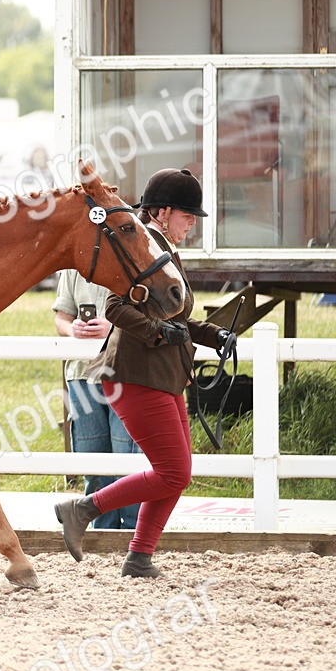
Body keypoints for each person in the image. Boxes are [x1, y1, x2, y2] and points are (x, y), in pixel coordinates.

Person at [54, 167, 235, 578]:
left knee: (176, 473)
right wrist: (157, 331)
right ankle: (83, 509)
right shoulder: (142, 247)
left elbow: (173, 318)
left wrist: (212, 334)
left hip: (165, 375)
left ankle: (139, 556)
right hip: (136, 373)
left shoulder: (164, 249)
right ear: (164, 211)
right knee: (173, 471)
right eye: (188, 216)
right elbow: (116, 308)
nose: (192, 225)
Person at [52, 270, 140, 530]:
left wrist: (113, 328)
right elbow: (61, 318)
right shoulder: (72, 270)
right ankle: (102, 531)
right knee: (91, 457)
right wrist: (73, 329)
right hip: (81, 372)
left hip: (124, 372)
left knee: (127, 456)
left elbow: (150, 317)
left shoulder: (132, 260)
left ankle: (133, 532)